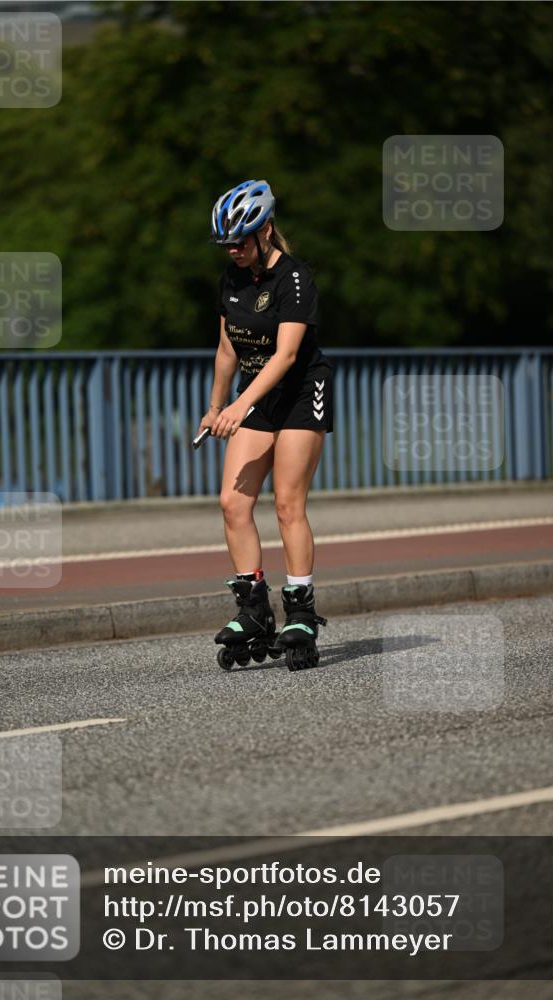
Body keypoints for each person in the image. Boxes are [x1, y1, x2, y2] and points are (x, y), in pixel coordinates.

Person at [199, 179, 333, 671]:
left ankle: (299, 609)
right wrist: (216, 407)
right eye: (227, 243)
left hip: (299, 393)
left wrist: (240, 406)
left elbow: (288, 354)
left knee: (286, 503)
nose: (233, 250)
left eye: (241, 240)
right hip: (257, 396)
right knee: (232, 502)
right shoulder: (231, 281)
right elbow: (227, 348)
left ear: (266, 230)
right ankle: (253, 608)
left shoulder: (294, 278)